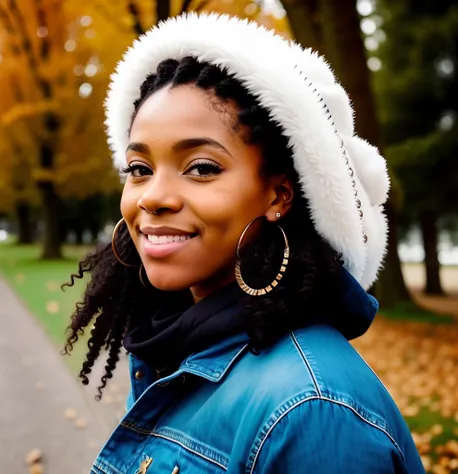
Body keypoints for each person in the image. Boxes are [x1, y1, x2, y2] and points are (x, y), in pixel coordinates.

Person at [64, 13, 425, 474]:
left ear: (279, 194)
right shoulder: (172, 348)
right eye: (139, 169)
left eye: (200, 167)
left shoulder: (310, 412)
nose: (152, 197)